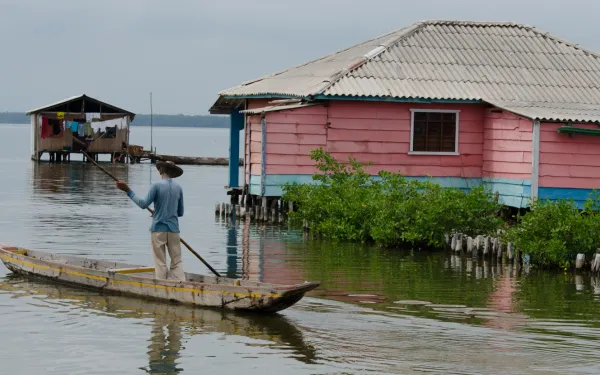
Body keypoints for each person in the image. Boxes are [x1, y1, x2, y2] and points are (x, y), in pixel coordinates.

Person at [115, 161, 186, 281]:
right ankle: (180, 284)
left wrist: (128, 191)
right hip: (174, 230)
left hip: (158, 230)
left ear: (160, 171)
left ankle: (161, 285)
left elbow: (143, 204)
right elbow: (180, 212)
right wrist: (163, 212)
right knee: (177, 262)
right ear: (173, 174)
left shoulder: (156, 186)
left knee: (160, 262)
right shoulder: (178, 188)